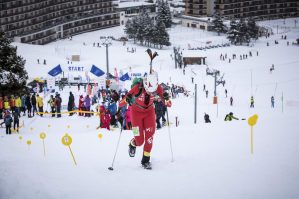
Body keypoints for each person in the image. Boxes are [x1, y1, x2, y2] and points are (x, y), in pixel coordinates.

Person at [119, 72, 172, 169]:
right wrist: (127, 100)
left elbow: (169, 104)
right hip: (136, 114)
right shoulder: (137, 88)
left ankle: (145, 161)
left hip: (149, 113)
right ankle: (132, 144)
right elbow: (120, 104)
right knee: (139, 141)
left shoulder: (158, 87)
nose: (150, 93)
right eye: (148, 90)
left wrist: (167, 98)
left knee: (149, 138)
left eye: (152, 92)